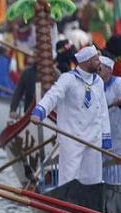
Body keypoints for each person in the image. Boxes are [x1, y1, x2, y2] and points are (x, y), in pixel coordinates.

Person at [31, 45, 111, 186]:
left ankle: (92, 203)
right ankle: (67, 204)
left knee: (93, 179)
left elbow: (103, 111)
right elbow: (53, 96)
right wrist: (40, 111)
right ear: (87, 62)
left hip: (93, 138)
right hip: (72, 137)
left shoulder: (97, 81)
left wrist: (106, 136)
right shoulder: (68, 79)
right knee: (69, 177)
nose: (100, 63)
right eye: (96, 60)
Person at [99, 55, 121, 183]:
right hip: (100, 138)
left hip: (117, 136)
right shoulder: (94, 84)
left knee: (115, 176)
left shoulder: (118, 83)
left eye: (100, 67)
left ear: (108, 69)